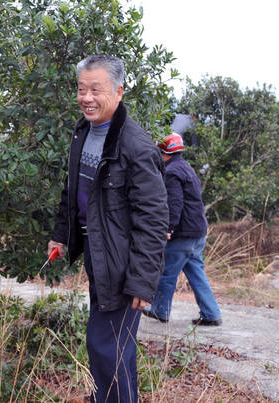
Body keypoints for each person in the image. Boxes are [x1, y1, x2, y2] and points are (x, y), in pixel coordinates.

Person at [48, 55, 168, 403]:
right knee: (115, 348)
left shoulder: (136, 146)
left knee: (104, 345)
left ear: (118, 91)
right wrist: (62, 236)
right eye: (81, 89)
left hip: (122, 264)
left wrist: (143, 282)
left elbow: (153, 219)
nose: (86, 97)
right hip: (99, 257)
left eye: (95, 90)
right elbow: (73, 192)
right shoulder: (83, 132)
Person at [142, 133, 222, 326]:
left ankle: (160, 310)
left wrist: (168, 227)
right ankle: (211, 314)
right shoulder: (185, 167)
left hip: (183, 234)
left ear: (164, 152)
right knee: (197, 273)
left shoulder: (171, 172)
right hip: (198, 232)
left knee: (166, 272)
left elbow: (174, 203)